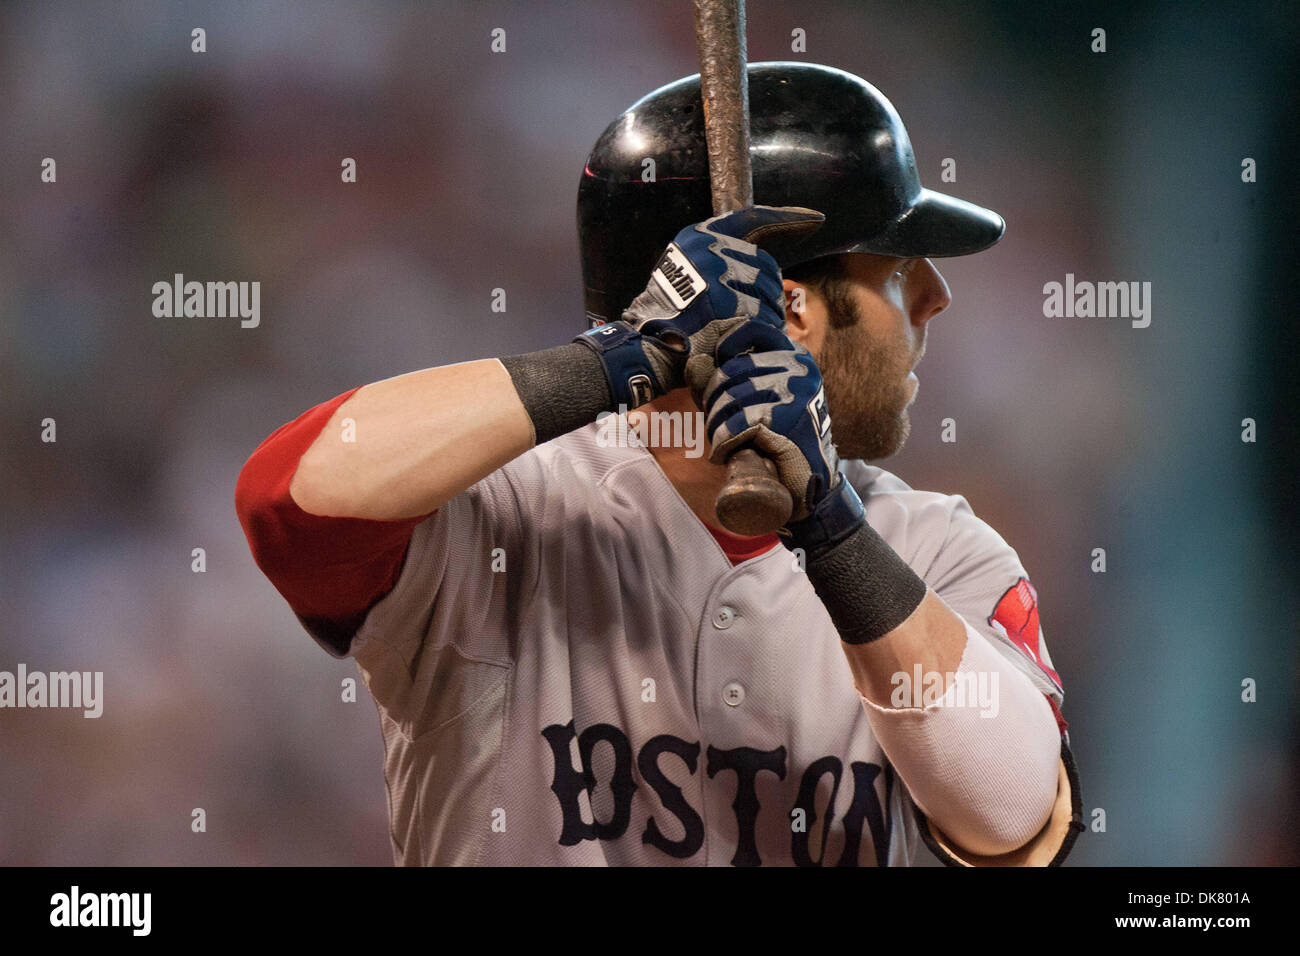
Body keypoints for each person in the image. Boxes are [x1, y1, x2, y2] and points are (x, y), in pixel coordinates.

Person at [235, 62, 1082, 866]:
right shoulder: (505, 514)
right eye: (897, 268)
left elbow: (1009, 815)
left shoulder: (937, 551)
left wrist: (827, 521)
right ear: (790, 311)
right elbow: (292, 500)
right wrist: (619, 358)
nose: (935, 296)